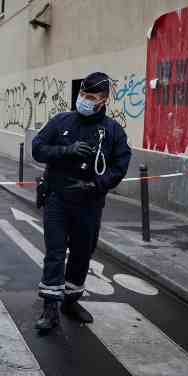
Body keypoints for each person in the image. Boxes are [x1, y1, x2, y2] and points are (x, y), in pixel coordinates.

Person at [31, 72, 131, 332]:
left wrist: (96, 184)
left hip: (88, 203)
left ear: (104, 99)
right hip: (57, 199)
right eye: (83, 95)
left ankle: (71, 301)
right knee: (54, 254)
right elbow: (38, 148)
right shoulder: (61, 121)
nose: (85, 101)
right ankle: (50, 308)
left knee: (81, 254)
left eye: (91, 97)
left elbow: (121, 165)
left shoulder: (112, 130)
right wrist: (66, 150)